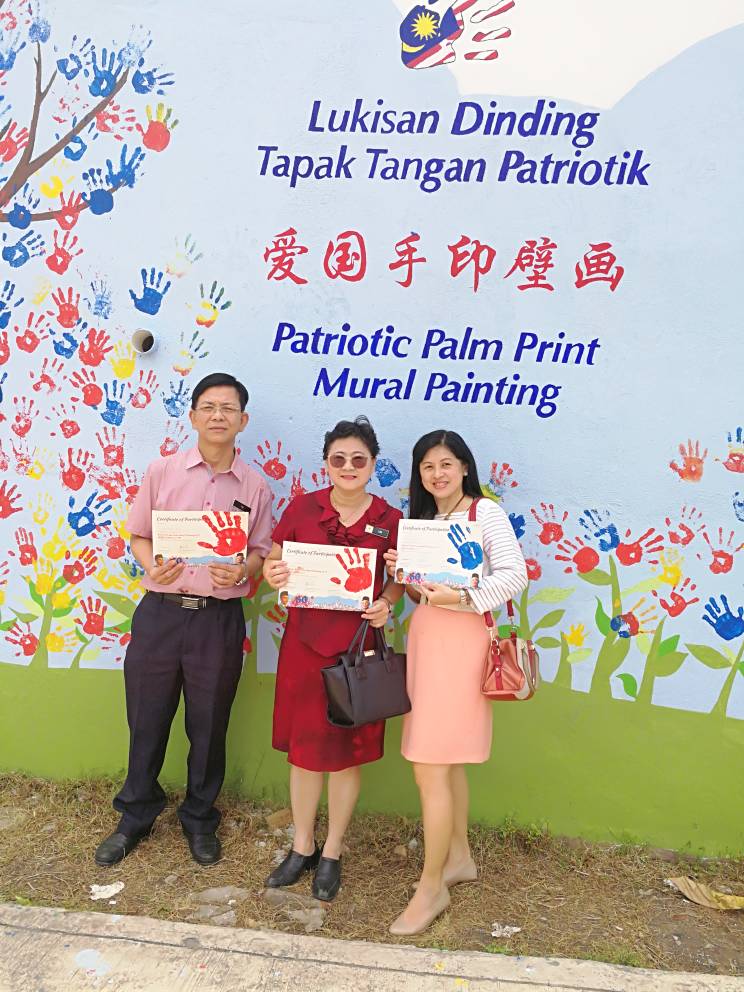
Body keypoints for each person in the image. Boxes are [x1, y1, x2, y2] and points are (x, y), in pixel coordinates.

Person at [94, 373, 273, 868]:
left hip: (218, 619)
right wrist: (151, 565)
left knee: (209, 723)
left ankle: (199, 817)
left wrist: (244, 569)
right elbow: (140, 535)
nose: (218, 416)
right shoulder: (162, 471)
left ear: (242, 420)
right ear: (192, 416)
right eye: (209, 407)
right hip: (161, 615)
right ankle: (135, 815)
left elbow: (259, 551)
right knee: (146, 716)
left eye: (228, 408)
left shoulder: (254, 486)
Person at [384, 429, 527, 935]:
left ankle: (431, 888)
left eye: (446, 463)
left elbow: (514, 574)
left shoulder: (484, 513)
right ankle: (460, 857)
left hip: (461, 645)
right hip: (428, 640)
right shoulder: (424, 522)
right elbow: (422, 591)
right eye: (427, 466)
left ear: (465, 466)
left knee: (430, 764)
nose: (437, 474)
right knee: (445, 762)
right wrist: (404, 572)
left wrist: (462, 599)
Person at [262, 416, 403, 901]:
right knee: (304, 753)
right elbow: (272, 560)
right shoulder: (302, 508)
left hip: (358, 650)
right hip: (304, 645)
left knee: (345, 756)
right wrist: (273, 573)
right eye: (338, 458)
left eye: (358, 459)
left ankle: (332, 852)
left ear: (373, 465)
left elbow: (397, 579)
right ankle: (301, 846)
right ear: (326, 463)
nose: (348, 466)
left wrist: (387, 602)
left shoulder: (390, 519)